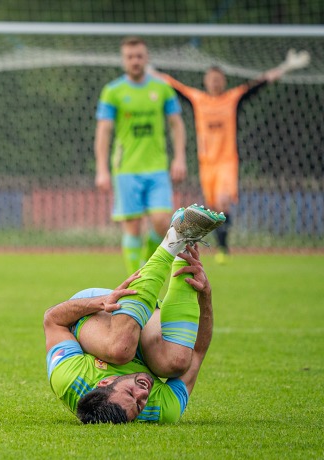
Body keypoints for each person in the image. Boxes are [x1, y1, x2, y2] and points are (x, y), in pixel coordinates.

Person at [43, 204, 225, 423]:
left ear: (104, 382)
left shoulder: (69, 378)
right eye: (140, 405)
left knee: (120, 349)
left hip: (99, 313)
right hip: (141, 329)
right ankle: (186, 243)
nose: (143, 393)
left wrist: (99, 302)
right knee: (177, 361)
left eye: (131, 393)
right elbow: (197, 353)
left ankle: (174, 238)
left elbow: (52, 320)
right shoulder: (160, 411)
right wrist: (205, 294)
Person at [152, 50, 309, 264]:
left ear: (223, 81)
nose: (215, 82)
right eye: (211, 79)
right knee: (213, 206)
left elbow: (259, 83)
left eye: (218, 79)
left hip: (227, 161)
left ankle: (223, 249)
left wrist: (286, 67)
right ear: (206, 81)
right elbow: (173, 85)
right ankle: (219, 245)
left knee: (223, 201)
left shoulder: (232, 98)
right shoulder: (198, 99)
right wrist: (149, 71)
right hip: (206, 163)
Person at [95, 36, 188, 274]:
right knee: (133, 227)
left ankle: (146, 265)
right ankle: (134, 281)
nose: (135, 61)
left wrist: (179, 158)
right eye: (130, 57)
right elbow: (104, 131)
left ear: (146, 58)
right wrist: (102, 169)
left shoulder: (162, 88)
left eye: (139, 56)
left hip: (157, 167)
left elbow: (176, 124)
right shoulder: (113, 91)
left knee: (161, 222)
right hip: (126, 169)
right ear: (123, 60)